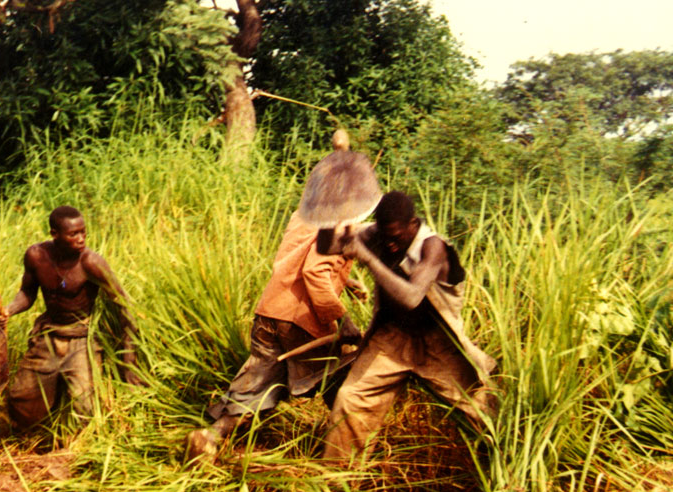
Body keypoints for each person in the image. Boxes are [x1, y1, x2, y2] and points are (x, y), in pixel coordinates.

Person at [185, 133, 364, 461]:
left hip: (269, 312)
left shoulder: (304, 215)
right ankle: (342, 453)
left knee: (261, 385)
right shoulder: (340, 225)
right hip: (298, 321)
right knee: (337, 377)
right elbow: (314, 274)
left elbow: (301, 261)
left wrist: (347, 281)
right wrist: (344, 318)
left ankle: (211, 436)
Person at [320, 191, 497, 462]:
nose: (391, 244)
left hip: (439, 342)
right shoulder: (375, 233)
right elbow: (327, 246)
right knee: (351, 397)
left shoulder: (432, 246)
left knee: (479, 408)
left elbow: (412, 298)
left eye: (397, 237)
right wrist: (332, 207)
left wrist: (368, 258)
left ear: (412, 224)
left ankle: (506, 465)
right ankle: (338, 479)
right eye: (386, 236)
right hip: (393, 338)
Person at [0, 205, 141, 430]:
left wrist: (129, 360)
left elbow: (124, 303)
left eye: (84, 232)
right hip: (49, 336)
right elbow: (27, 293)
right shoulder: (36, 256)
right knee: (20, 401)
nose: (81, 239)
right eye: (74, 234)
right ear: (55, 234)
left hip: (81, 339)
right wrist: (9, 310)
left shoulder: (91, 263)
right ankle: (24, 441)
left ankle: (74, 451)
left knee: (85, 408)